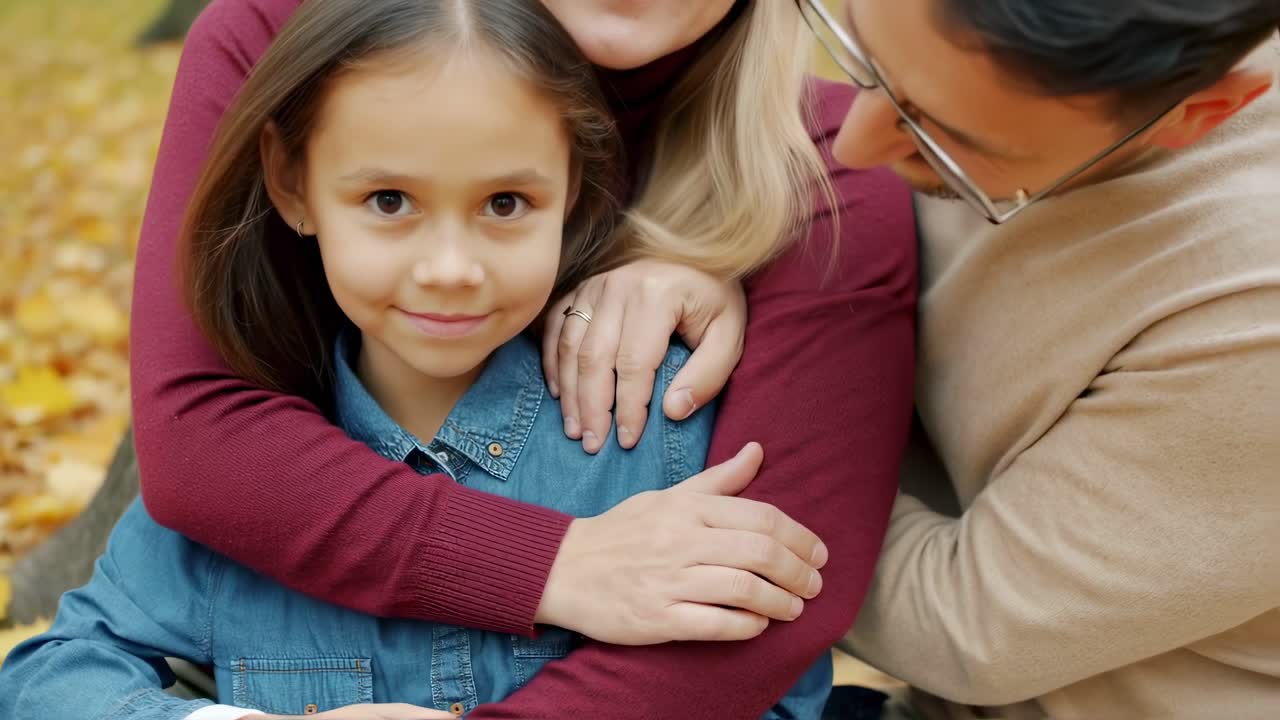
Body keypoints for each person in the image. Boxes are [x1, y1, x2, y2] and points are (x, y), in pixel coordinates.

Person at [0, 2, 837, 718]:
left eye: (505, 204)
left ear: (576, 189)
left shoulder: (659, 437)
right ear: (292, 186)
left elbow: (784, 693)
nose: (450, 268)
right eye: (389, 201)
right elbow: (46, 681)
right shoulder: (242, 489)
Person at [616, 1, 1278, 718]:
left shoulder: (1252, 311)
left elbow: (964, 629)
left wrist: (709, 401)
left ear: (1200, 114)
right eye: (860, 58)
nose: (855, 145)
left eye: (942, 136)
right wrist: (741, 254)